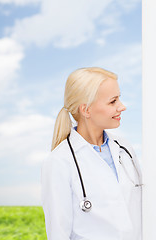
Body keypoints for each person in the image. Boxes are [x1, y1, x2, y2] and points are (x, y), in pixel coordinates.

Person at [41, 67, 143, 240]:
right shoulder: (60, 161)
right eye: (113, 101)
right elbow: (58, 232)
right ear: (86, 110)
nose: (122, 107)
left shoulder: (124, 148)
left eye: (120, 98)